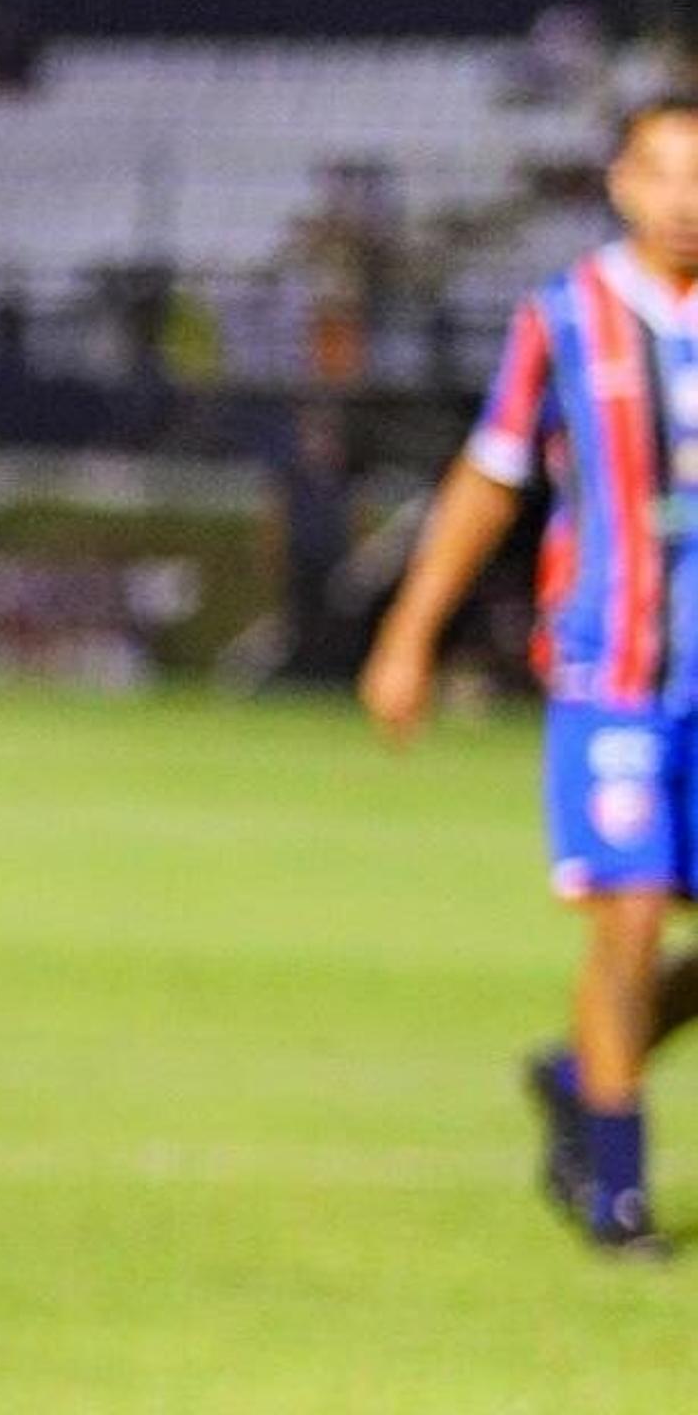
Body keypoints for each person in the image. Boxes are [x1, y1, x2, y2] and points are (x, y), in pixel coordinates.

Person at [362, 95, 698, 1258]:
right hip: (613, 671)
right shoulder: (567, 320)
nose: (687, 199)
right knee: (634, 918)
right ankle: (618, 1194)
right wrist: (412, 632)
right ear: (620, 183)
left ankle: (576, 1073)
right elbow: (490, 478)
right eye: (665, 172)